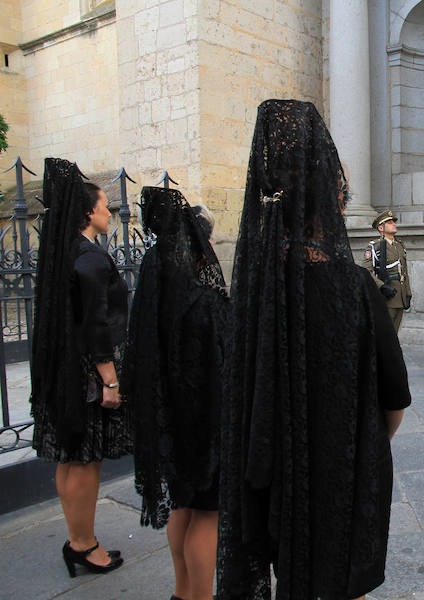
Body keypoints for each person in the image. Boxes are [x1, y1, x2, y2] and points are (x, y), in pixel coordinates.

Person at [217, 99, 410, 600]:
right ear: (331, 197)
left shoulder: (251, 287)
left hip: (269, 485)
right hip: (341, 477)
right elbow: (393, 404)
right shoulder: (355, 288)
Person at [125, 188, 228, 600]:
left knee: (182, 506)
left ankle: (182, 590)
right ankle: (199, 595)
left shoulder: (158, 297)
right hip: (205, 426)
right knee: (207, 515)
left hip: (171, 422)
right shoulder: (206, 303)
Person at [30, 159, 130, 577]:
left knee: (69, 458)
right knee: (85, 460)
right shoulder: (89, 258)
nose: (111, 212)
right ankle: (84, 544)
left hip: (64, 370)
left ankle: (77, 540)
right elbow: (96, 324)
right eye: (105, 205)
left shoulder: (63, 252)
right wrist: (109, 379)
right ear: (88, 212)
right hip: (88, 375)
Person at [362, 209, 411, 332]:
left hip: (399, 294)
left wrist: (408, 293)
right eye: (389, 222)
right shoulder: (375, 246)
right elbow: (366, 271)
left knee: (395, 331)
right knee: (385, 332)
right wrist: (382, 286)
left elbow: (404, 271)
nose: (394, 224)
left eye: (393, 222)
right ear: (381, 228)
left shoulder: (399, 246)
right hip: (386, 295)